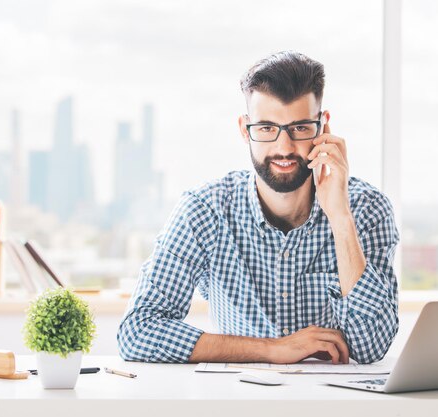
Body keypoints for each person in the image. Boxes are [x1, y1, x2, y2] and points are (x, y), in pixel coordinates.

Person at [117, 51, 399, 365]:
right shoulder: (204, 210)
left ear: (323, 126)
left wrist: (340, 217)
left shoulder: (367, 209)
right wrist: (273, 349)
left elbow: (371, 346)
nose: (284, 148)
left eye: (300, 128)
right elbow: (137, 331)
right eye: (266, 128)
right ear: (244, 129)